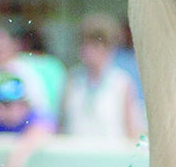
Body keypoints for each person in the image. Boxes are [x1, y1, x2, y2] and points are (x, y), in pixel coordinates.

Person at [61, 14, 144, 142]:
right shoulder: (72, 80)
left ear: (109, 48)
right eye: (85, 45)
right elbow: (61, 124)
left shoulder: (122, 83)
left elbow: (133, 131)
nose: (89, 51)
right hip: (76, 156)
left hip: (111, 157)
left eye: (96, 45)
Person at [0, 74, 54, 167]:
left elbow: (42, 130)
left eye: (20, 103)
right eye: (6, 104)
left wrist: (13, 163)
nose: (15, 109)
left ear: (26, 104)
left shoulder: (34, 118)